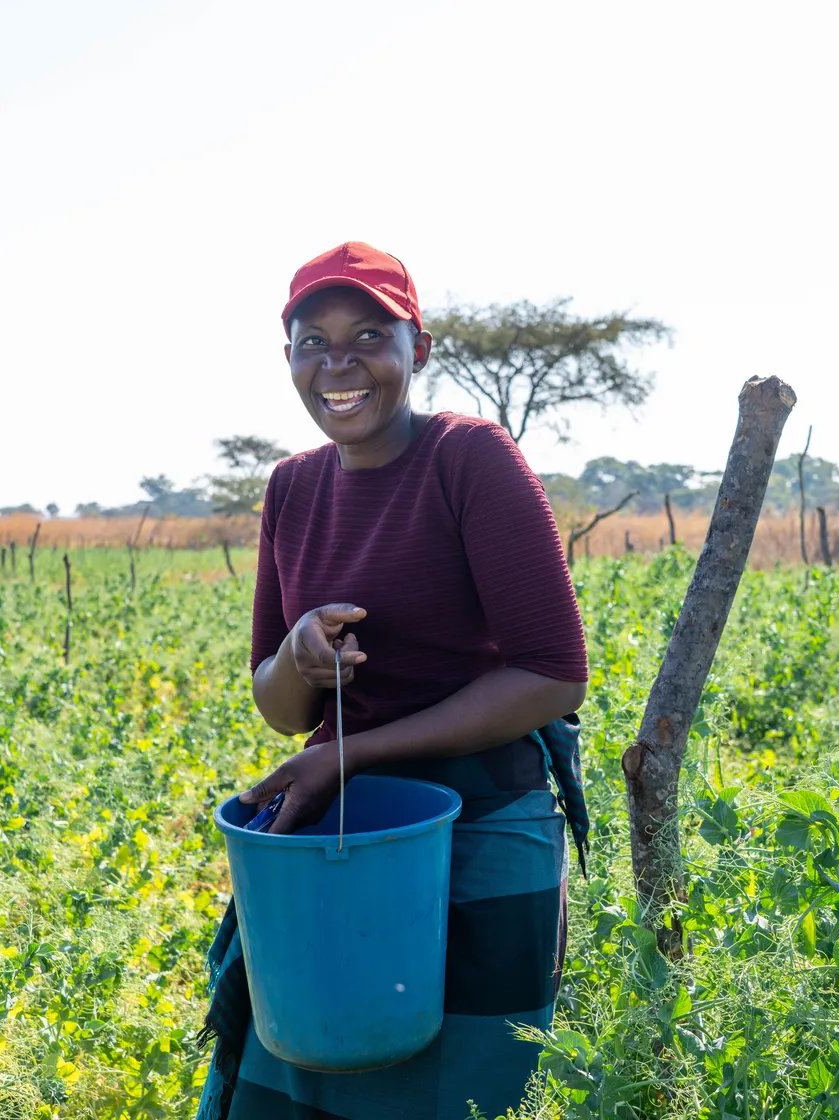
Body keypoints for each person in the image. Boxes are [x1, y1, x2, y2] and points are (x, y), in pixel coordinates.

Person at [197, 242, 591, 1120]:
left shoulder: (469, 460)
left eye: (369, 334)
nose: (339, 363)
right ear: (290, 359)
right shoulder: (292, 488)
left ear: (420, 348)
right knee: (304, 1069)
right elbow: (276, 707)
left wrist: (350, 754)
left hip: (482, 822)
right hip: (339, 832)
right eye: (313, 341)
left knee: (458, 1090)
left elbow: (554, 676)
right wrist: (298, 654)